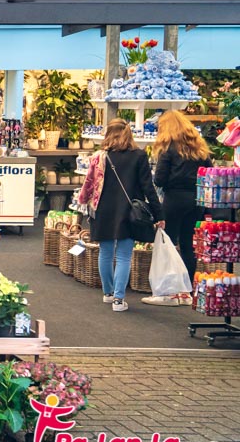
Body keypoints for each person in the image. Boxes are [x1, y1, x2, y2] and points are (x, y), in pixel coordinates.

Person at [78, 119, 163, 313]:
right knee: (124, 255)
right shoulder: (139, 156)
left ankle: (108, 293)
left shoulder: (99, 157)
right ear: (129, 134)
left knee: (105, 253)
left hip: (102, 210)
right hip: (129, 211)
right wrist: (159, 213)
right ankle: (118, 299)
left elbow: (88, 185)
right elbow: (148, 187)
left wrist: (83, 205)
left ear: (107, 134)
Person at [153, 110, 213, 287]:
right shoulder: (199, 147)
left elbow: (159, 179)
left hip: (174, 199)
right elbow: (210, 172)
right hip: (196, 199)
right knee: (188, 244)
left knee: (169, 243)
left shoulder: (168, 148)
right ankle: (187, 286)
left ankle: (169, 285)